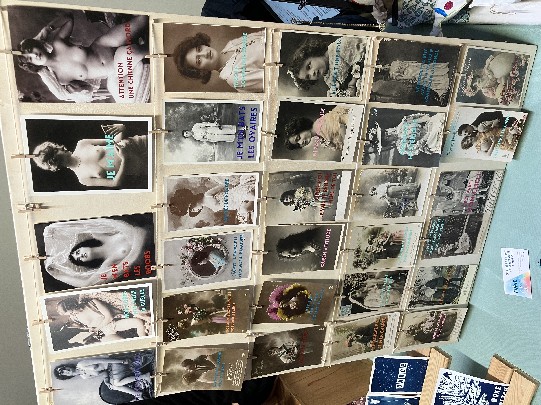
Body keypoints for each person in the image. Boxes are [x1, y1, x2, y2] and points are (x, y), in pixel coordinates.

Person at [17, 13, 149, 102]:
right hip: (115, 67)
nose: (34, 55)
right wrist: (81, 90)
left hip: (106, 43)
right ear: (33, 65)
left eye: (31, 50)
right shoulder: (62, 80)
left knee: (143, 19)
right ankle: (148, 48)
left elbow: (68, 18)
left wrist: (47, 29)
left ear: (36, 44)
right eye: (30, 59)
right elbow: (89, 90)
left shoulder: (58, 43)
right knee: (129, 52)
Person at [42, 217, 150, 289]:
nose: (80, 255)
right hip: (150, 247)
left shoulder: (98, 235)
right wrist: (58, 275)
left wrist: (54, 228)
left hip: (149, 227)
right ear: (85, 262)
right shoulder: (108, 263)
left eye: (78, 252)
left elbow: (81, 225)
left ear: (82, 246)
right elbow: (87, 283)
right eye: (79, 259)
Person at [32, 123, 148, 189]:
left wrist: (121, 129)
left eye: (57, 146)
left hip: (137, 144)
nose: (61, 147)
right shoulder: (83, 178)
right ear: (54, 160)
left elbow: (113, 142)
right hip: (140, 166)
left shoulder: (82, 144)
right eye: (56, 150)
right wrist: (125, 159)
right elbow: (115, 183)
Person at [173, 30, 265, 93]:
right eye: (199, 60)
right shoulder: (234, 78)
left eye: (199, 49)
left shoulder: (231, 44)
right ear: (202, 71)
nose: (204, 54)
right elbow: (270, 79)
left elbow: (263, 33)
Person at [287, 35, 367, 97]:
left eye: (309, 67)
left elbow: (361, 61)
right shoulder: (328, 79)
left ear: (312, 54)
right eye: (308, 77)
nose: (312, 73)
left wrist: (352, 83)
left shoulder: (338, 48)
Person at [56, 294, 151, 344]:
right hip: (100, 333)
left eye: (72, 311)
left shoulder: (92, 303)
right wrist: (89, 331)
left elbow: (109, 317)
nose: (72, 314)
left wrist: (97, 329)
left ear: (74, 305)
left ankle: (145, 341)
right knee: (123, 344)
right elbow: (88, 326)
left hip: (112, 325)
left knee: (138, 322)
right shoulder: (74, 317)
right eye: (69, 314)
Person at [169, 175, 256, 225]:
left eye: (192, 208)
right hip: (238, 204)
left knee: (251, 195)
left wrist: (236, 190)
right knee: (244, 210)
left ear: (192, 203)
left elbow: (224, 185)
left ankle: (252, 195)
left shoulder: (208, 195)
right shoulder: (212, 208)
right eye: (193, 211)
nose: (195, 210)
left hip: (237, 193)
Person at [53, 356, 152, 400]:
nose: (66, 371)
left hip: (114, 363)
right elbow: (104, 373)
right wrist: (107, 381)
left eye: (64, 368)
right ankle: (137, 393)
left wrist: (121, 361)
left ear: (66, 366)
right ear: (67, 376)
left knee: (117, 383)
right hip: (111, 371)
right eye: (63, 373)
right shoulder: (84, 376)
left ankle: (144, 376)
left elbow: (103, 360)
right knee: (114, 386)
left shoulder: (81, 364)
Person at [463, 52, 528, 105]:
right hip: (504, 84)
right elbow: (497, 93)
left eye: (476, 79)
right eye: (475, 84)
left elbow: (494, 57)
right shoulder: (485, 90)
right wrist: (502, 82)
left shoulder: (485, 70)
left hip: (509, 63)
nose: (477, 81)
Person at [283, 106, 350, 152]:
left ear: (301, 128)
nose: (301, 143)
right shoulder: (318, 132)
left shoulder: (320, 127)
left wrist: (347, 146)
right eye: (298, 145)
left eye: (298, 138)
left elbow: (342, 127)